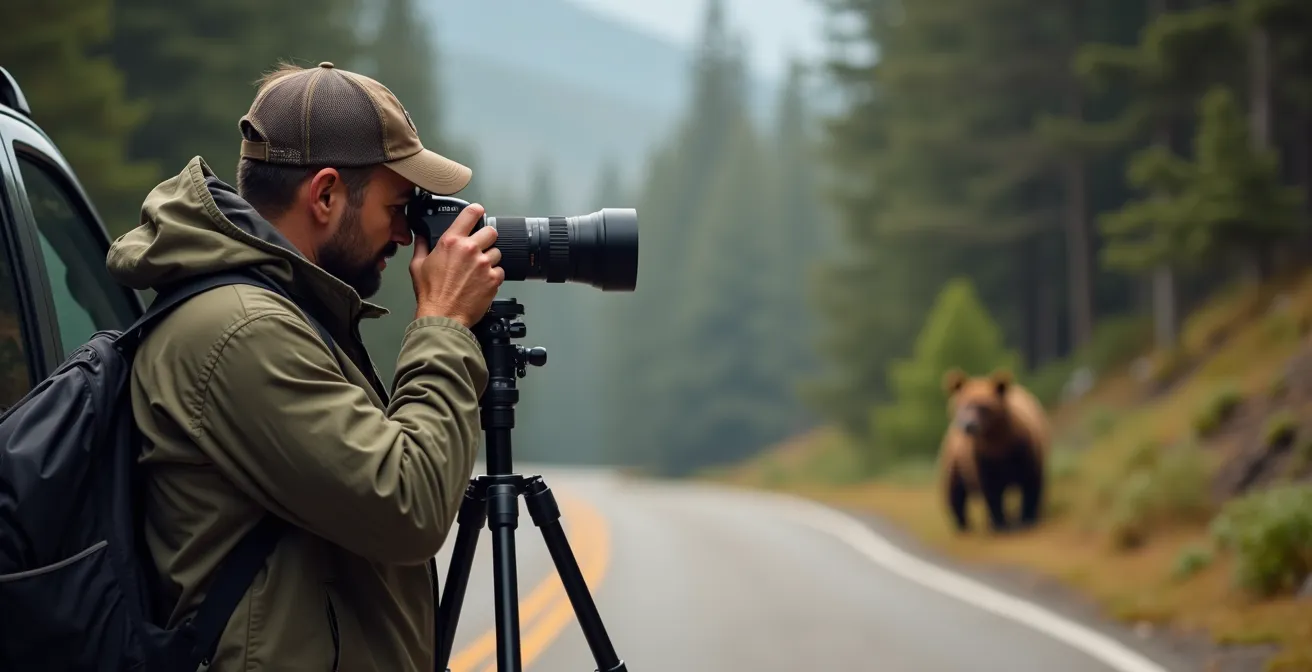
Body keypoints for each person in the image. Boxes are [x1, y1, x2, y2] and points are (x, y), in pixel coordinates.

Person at [105, 61, 504, 671]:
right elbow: (409, 502)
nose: (406, 234)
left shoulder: (279, 312)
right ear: (324, 195)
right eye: (398, 207)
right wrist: (444, 325)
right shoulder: (243, 331)